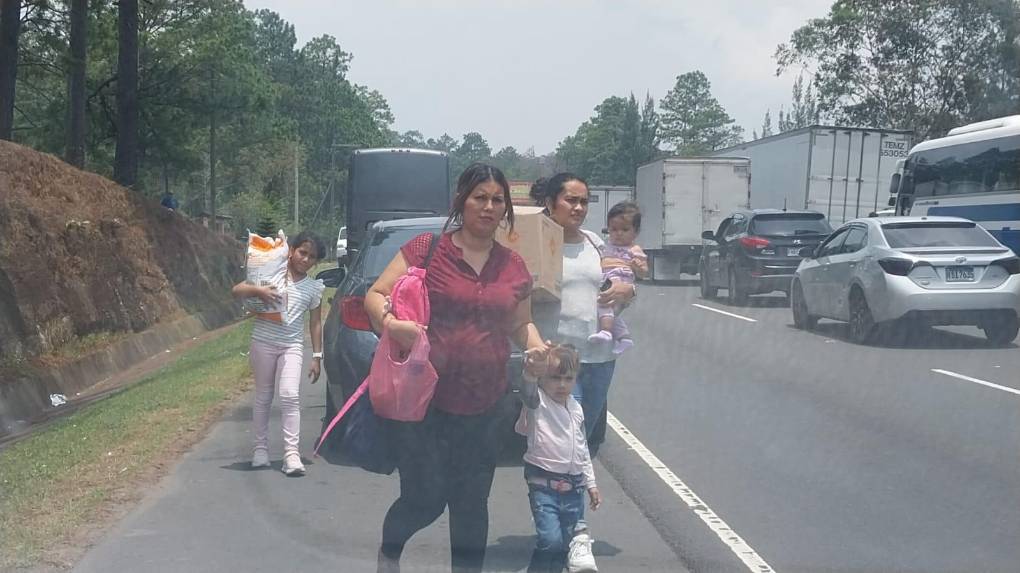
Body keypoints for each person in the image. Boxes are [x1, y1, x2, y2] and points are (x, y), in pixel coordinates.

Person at [365, 163, 548, 573]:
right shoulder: (427, 249)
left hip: (486, 403)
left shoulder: (513, 265)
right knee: (425, 498)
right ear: (461, 201)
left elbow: (522, 323)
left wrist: (537, 349)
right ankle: (389, 553)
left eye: (496, 200)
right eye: (479, 197)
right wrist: (394, 325)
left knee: (471, 503)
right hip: (426, 403)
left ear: (506, 209)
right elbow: (376, 296)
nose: (488, 206)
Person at [529, 174, 636, 458]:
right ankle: (549, 496)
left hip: (600, 358)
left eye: (584, 202)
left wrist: (627, 289)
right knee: (564, 439)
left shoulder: (596, 242)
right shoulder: (537, 244)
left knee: (584, 441)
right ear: (551, 203)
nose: (578, 208)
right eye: (571, 200)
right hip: (558, 358)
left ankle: (570, 495)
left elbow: (620, 279)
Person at [231, 231, 326, 476]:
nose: (305, 259)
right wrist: (260, 292)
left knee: (290, 395)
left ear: (317, 261)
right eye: (302, 253)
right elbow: (237, 290)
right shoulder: (272, 275)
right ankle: (260, 451)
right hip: (263, 342)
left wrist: (317, 356)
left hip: (292, 346)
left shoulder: (314, 288)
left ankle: (291, 455)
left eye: (312, 257)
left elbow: (315, 323)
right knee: (263, 396)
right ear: (291, 250)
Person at [516, 344, 602, 573]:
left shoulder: (576, 409)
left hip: (574, 488)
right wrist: (530, 372)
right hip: (544, 486)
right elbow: (526, 390)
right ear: (543, 377)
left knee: (564, 544)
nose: (562, 385)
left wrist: (591, 484)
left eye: (568, 378)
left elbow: (582, 450)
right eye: (555, 378)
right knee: (549, 540)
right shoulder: (538, 403)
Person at [587, 201, 647, 355]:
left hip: (621, 278)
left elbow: (643, 271)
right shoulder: (605, 245)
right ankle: (624, 338)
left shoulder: (634, 249)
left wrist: (638, 267)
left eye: (625, 229)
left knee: (604, 304)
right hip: (607, 278)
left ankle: (606, 332)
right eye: (613, 229)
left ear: (636, 231)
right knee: (609, 312)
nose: (618, 233)